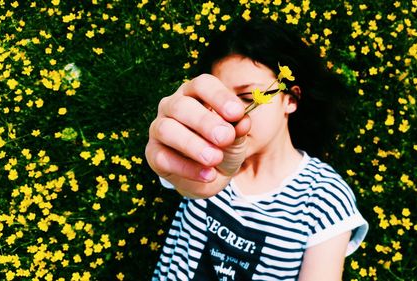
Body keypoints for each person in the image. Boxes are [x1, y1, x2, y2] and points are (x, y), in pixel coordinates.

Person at [146, 18, 368, 281]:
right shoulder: (206, 156)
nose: (233, 115)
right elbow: (184, 178)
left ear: (290, 99)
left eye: (249, 97)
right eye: (218, 101)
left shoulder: (324, 198)